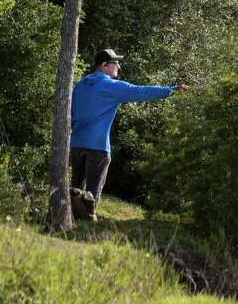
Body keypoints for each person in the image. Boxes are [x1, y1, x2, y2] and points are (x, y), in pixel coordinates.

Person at [69, 49, 188, 218]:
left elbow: (72, 112)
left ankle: (70, 219)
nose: (119, 66)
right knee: (91, 194)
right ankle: (86, 222)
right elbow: (141, 91)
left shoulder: (80, 85)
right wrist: (172, 90)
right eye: (115, 63)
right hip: (97, 147)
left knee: (75, 190)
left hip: (76, 144)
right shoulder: (110, 86)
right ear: (104, 66)